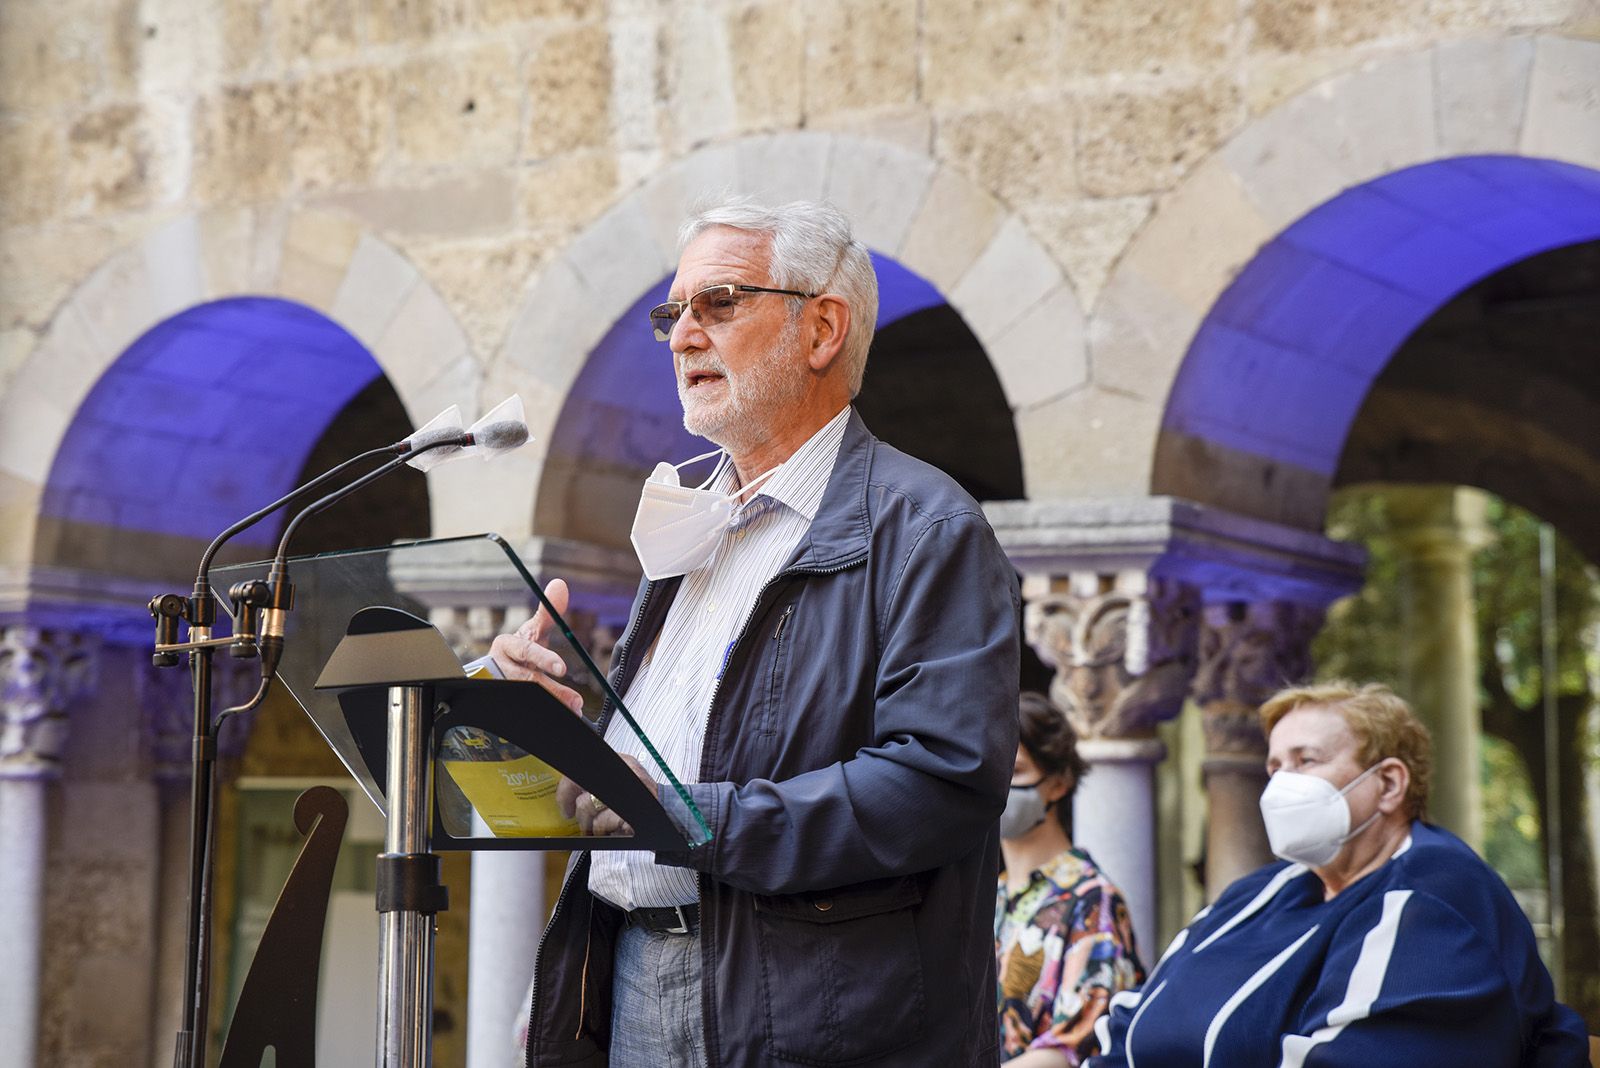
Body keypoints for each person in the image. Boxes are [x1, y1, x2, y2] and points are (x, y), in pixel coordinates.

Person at [493, 197, 1021, 1067]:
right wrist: (559, 730)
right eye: (673, 312)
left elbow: (941, 784)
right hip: (632, 972)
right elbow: (682, 758)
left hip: (808, 1012)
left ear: (821, 330)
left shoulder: (926, 527)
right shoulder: (691, 528)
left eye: (720, 302)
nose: (682, 336)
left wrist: (689, 816)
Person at [1087, 681, 1589, 1068]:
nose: (1281, 786)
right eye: (1274, 767)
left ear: (1388, 784)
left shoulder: (1433, 895)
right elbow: (1132, 1022)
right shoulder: (1260, 893)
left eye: (1306, 760)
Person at [997, 693, 1144, 1065]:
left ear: (1059, 783)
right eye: (988, 770)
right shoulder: (987, 895)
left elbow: (1079, 1042)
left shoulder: (1093, 900)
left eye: (1016, 771)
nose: (997, 786)